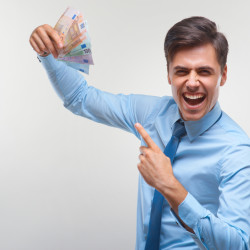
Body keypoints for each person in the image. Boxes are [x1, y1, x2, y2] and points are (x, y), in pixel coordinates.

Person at [29, 16, 250, 249]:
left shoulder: (236, 150)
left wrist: (171, 187)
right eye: (182, 71)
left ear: (223, 75)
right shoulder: (154, 115)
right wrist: (46, 54)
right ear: (168, 75)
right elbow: (80, 98)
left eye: (204, 71)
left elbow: (239, 245)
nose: (192, 82)